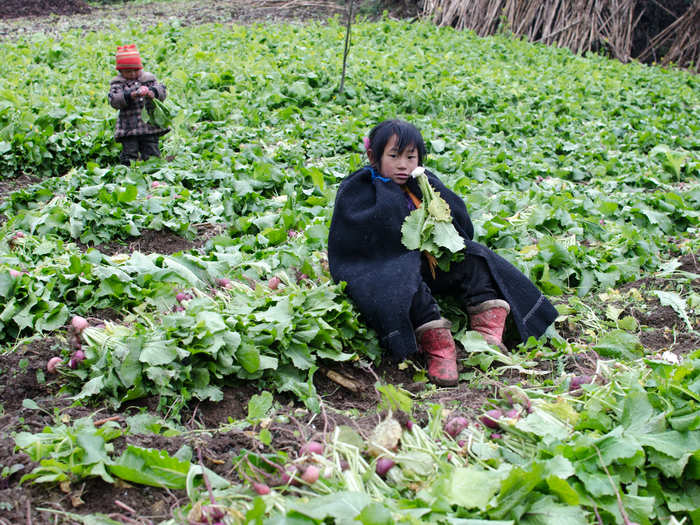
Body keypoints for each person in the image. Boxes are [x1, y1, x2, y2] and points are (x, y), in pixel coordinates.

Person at [327, 119, 558, 387]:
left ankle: (487, 332)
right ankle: (439, 347)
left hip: (433, 265)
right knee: (403, 280)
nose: (403, 165)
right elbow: (358, 245)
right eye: (394, 156)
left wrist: (436, 210)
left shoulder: (424, 182)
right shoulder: (359, 190)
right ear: (373, 156)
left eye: (410, 157)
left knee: (475, 257)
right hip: (388, 270)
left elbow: (463, 229)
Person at [108, 44, 168, 165]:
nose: (133, 74)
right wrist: (131, 95)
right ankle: (127, 172)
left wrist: (152, 93)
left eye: (136, 70)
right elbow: (114, 100)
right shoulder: (118, 84)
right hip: (129, 127)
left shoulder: (148, 80)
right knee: (129, 153)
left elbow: (162, 91)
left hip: (149, 126)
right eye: (128, 71)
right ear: (120, 71)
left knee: (151, 150)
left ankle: (154, 171)